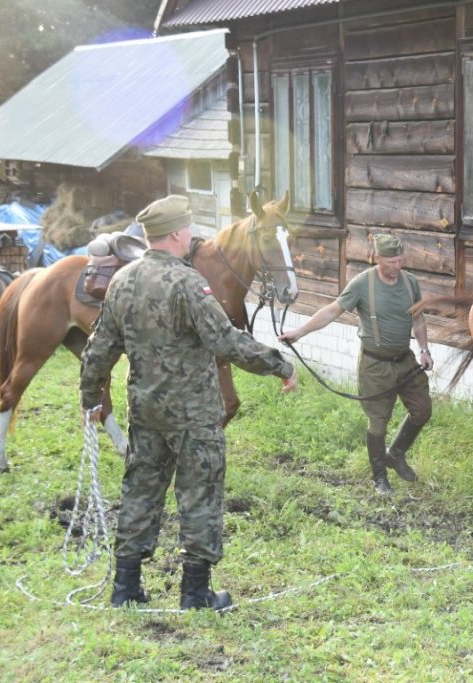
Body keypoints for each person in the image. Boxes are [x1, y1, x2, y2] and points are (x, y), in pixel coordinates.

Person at [79, 195, 298, 610]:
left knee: (141, 490)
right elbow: (226, 340)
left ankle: (126, 588)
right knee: (199, 494)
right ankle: (195, 594)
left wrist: (91, 399)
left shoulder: (123, 280)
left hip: (144, 410)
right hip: (193, 414)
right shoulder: (188, 282)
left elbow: (98, 351)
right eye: (189, 229)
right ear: (178, 234)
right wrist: (279, 366)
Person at [279, 233, 433, 495]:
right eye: (391, 262)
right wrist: (299, 333)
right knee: (378, 423)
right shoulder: (363, 283)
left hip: (405, 360)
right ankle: (379, 477)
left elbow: (418, 320)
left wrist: (424, 349)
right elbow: (332, 310)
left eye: (399, 260)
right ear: (377, 258)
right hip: (375, 365)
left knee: (423, 410)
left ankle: (395, 454)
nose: (396, 267)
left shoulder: (410, 283)